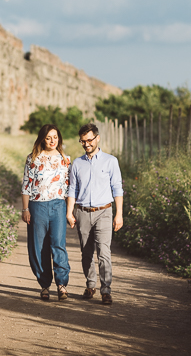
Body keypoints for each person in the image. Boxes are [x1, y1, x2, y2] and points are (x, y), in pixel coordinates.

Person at [66, 122, 123, 305]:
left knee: (104, 253)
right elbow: (72, 189)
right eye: (83, 141)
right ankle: (90, 284)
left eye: (89, 140)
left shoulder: (111, 161)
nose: (86, 144)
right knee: (86, 252)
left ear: (97, 138)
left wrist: (119, 214)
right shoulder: (77, 163)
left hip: (104, 211)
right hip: (82, 212)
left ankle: (106, 289)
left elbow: (117, 188)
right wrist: (69, 212)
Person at [22, 124, 71, 301]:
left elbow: (70, 187)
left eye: (55, 137)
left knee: (58, 244)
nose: (52, 141)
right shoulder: (33, 158)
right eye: (49, 137)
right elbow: (26, 185)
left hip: (58, 205)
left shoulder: (65, 159)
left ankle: (62, 284)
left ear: (59, 139)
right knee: (38, 247)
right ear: (42, 138)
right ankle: (44, 285)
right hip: (37, 206)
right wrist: (25, 209)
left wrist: (70, 211)